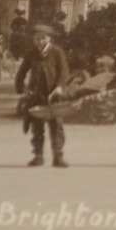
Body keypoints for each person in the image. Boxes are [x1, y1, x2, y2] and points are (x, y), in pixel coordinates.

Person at [14, 23, 71, 167]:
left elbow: (64, 72)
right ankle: (38, 156)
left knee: (56, 126)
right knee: (37, 127)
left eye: (43, 38)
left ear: (49, 39)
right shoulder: (31, 53)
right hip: (36, 96)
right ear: (33, 39)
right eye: (37, 39)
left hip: (54, 96)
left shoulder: (56, 52)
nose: (40, 42)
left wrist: (59, 87)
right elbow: (20, 74)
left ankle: (58, 156)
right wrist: (23, 89)